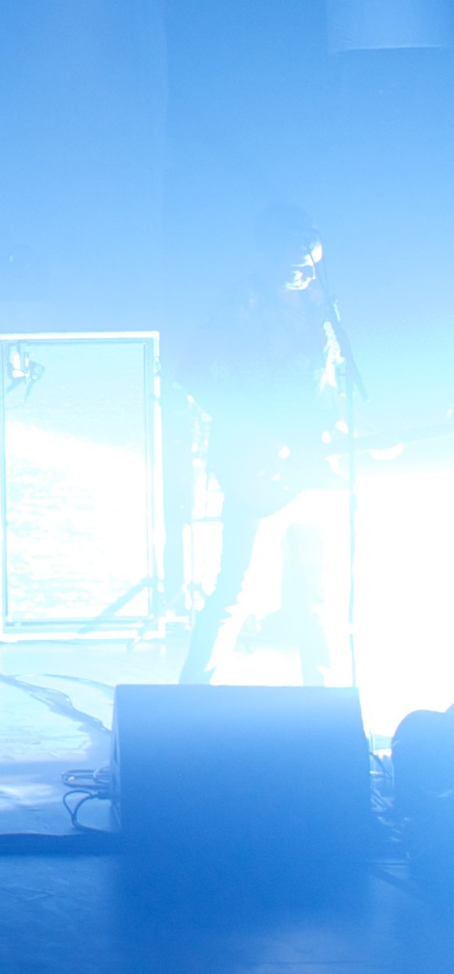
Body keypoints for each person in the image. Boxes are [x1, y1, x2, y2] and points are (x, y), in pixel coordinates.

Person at [177, 204, 356, 688]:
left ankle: (329, 710)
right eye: (290, 262)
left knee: (323, 600)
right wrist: (256, 433)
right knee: (236, 592)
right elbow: (192, 371)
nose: (300, 271)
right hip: (257, 465)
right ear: (266, 253)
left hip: (314, 466)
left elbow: (323, 385)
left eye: (307, 262)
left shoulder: (322, 304)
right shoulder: (244, 300)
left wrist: (346, 434)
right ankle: (189, 705)